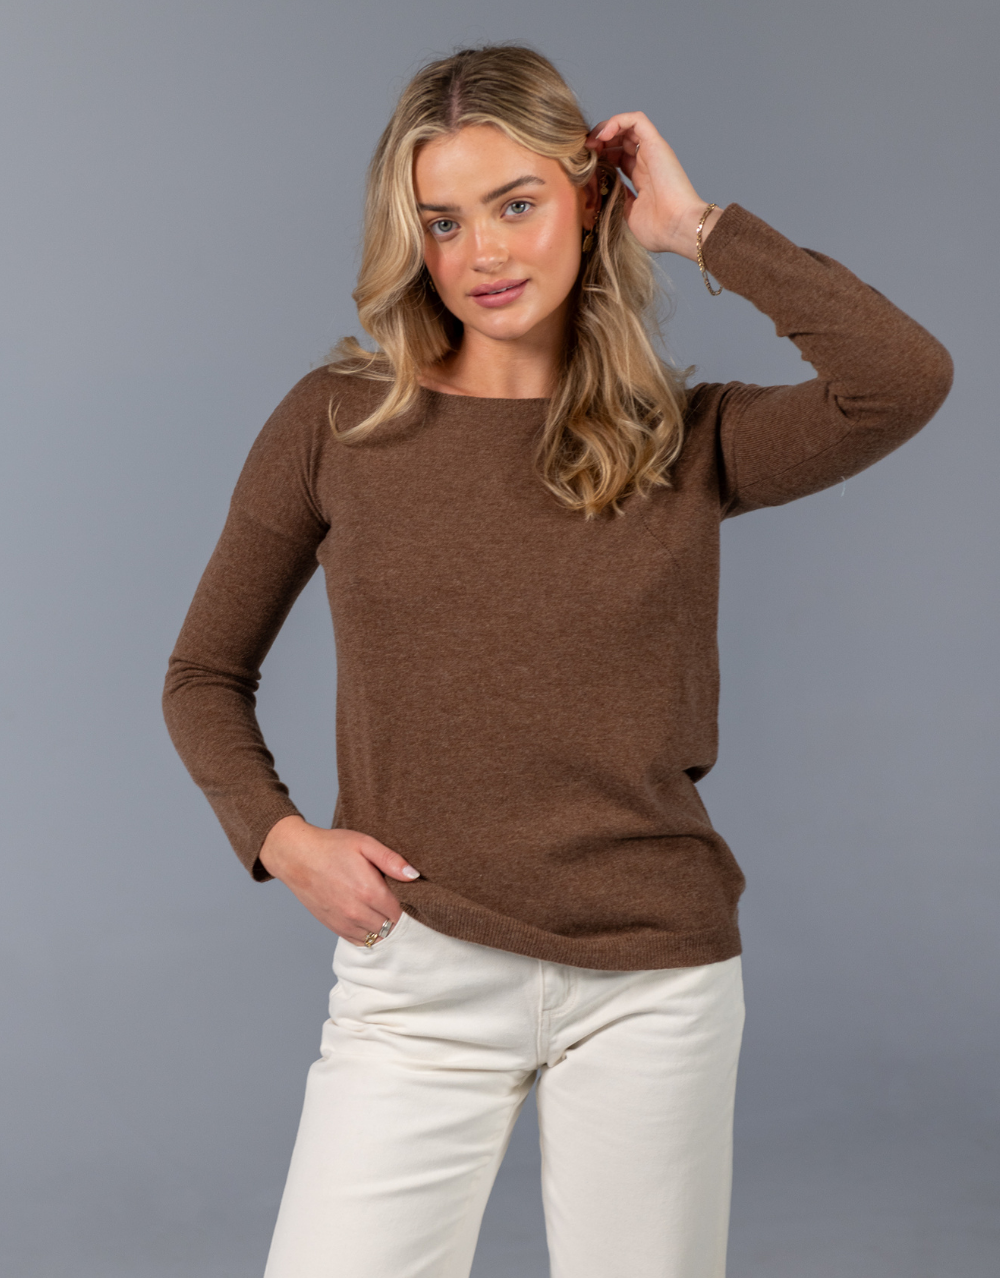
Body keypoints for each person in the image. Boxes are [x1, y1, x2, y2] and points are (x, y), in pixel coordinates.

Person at [162, 43, 953, 1278]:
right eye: (442, 222)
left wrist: (699, 228)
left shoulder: (682, 439)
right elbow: (204, 674)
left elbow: (900, 380)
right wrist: (281, 838)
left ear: (590, 200)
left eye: (516, 204)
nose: (480, 253)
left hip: (652, 981)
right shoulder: (338, 421)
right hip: (419, 975)